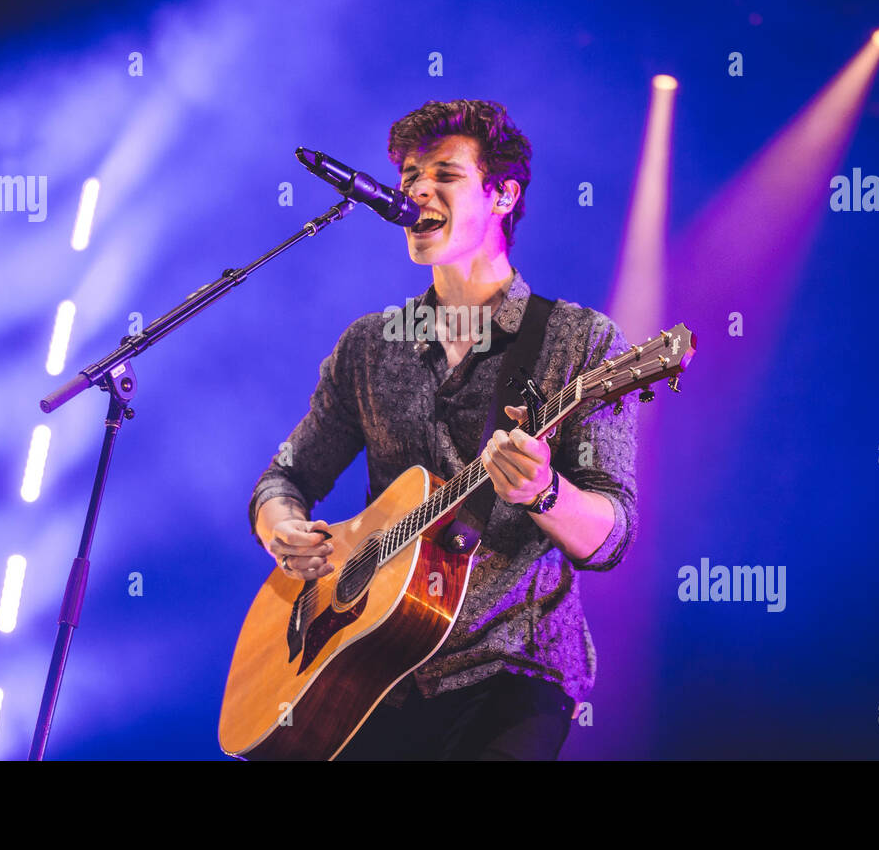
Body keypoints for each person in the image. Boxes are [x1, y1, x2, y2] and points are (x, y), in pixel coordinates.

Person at [248, 99, 637, 760]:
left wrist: (544, 493)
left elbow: (610, 537)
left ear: (504, 194)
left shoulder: (580, 340)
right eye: (406, 176)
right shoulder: (370, 345)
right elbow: (285, 475)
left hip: (509, 671)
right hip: (370, 673)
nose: (414, 190)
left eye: (445, 174)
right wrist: (281, 528)